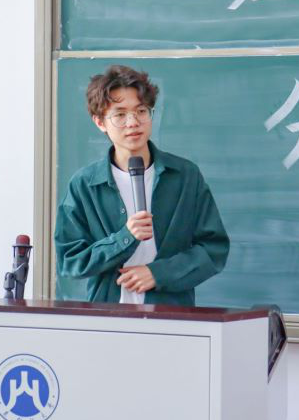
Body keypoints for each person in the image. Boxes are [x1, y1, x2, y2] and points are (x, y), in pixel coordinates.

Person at [55, 65, 229, 306]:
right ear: (100, 122)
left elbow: (213, 249)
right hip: (107, 316)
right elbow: (70, 261)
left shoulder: (185, 176)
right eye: (120, 115)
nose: (133, 122)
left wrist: (158, 274)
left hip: (172, 315)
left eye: (141, 111)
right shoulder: (85, 185)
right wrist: (125, 238)